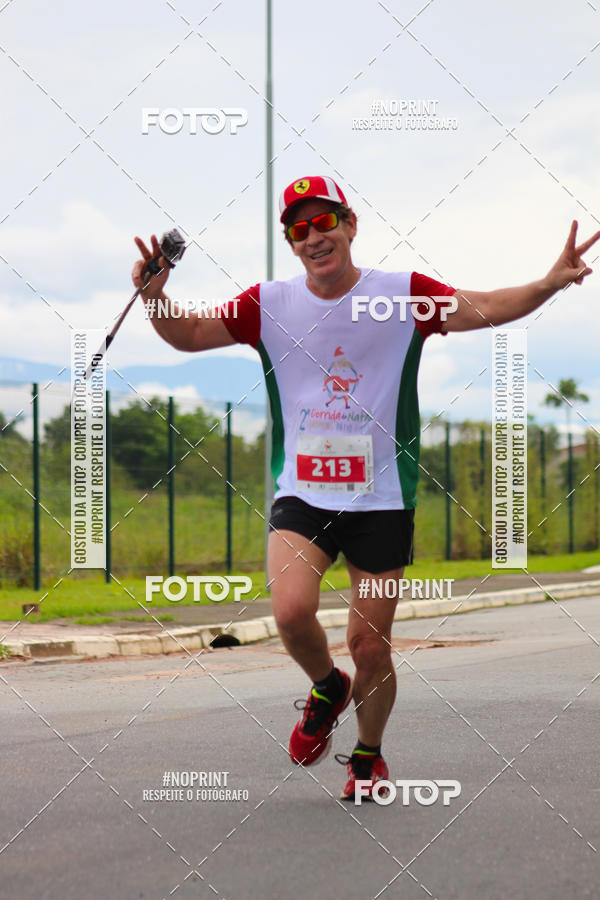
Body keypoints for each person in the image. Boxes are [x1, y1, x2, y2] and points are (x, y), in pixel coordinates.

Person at [133, 175, 600, 801]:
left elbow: (484, 306)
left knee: (369, 646)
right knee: (292, 612)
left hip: (381, 498)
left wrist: (548, 283)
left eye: (325, 222)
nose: (314, 236)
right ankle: (327, 686)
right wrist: (155, 298)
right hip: (302, 492)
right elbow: (188, 335)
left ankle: (367, 756)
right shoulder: (267, 303)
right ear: (290, 243)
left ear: (350, 226)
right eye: (299, 228)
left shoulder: (401, 295)